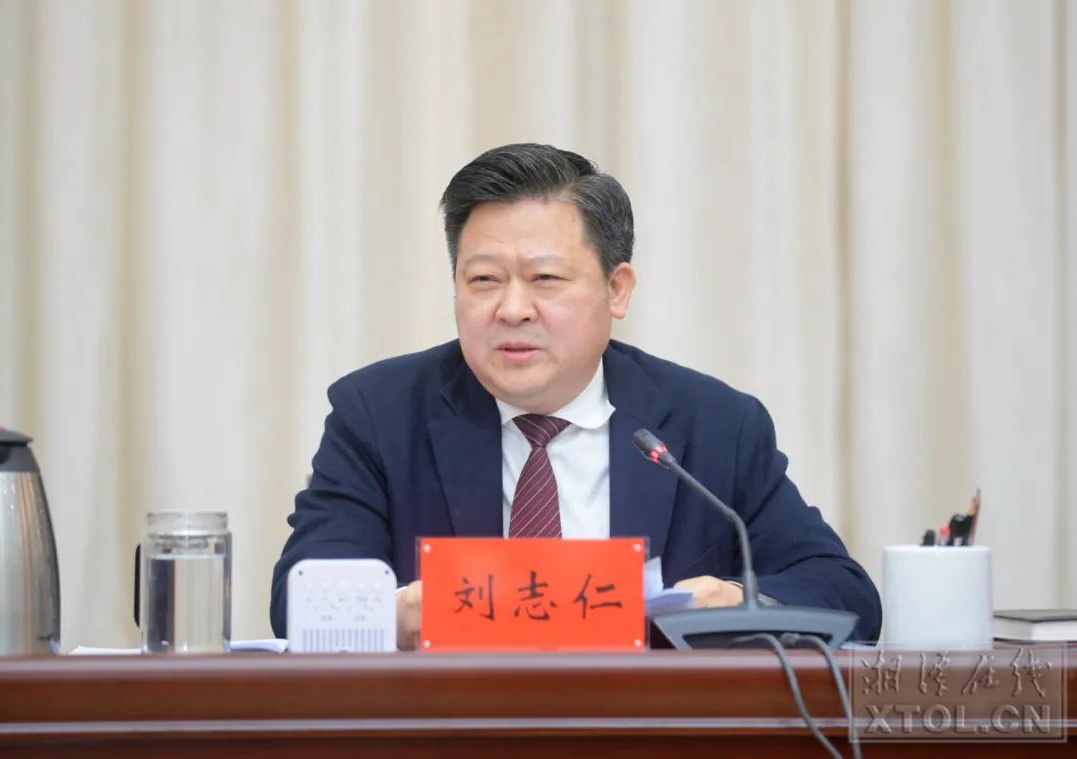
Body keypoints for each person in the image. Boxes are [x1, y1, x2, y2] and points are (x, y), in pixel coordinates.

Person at [270, 143, 882, 647]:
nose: (512, 309)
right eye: (483, 280)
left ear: (617, 290)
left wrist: (738, 601)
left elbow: (844, 594)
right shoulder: (379, 414)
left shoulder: (714, 424)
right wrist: (396, 614)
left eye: (545, 279)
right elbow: (298, 599)